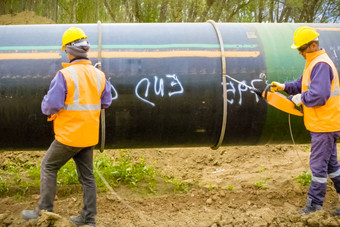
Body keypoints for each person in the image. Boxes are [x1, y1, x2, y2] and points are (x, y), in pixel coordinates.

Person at [21, 27, 112, 226]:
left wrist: (46, 104)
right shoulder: (99, 75)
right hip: (88, 136)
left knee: (48, 166)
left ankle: (43, 212)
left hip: (69, 136)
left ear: (69, 51)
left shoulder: (65, 75)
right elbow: (106, 102)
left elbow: (51, 105)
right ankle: (88, 220)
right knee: (87, 177)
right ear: (85, 49)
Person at [271, 26, 340, 215]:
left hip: (324, 126)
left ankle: (313, 208)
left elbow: (320, 95)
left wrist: (300, 98)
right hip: (326, 124)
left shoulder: (321, 64)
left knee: (318, 167)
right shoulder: (313, 63)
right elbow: (301, 84)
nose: (300, 52)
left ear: (313, 45)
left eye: (302, 48)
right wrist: (284, 87)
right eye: (299, 49)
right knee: (332, 166)